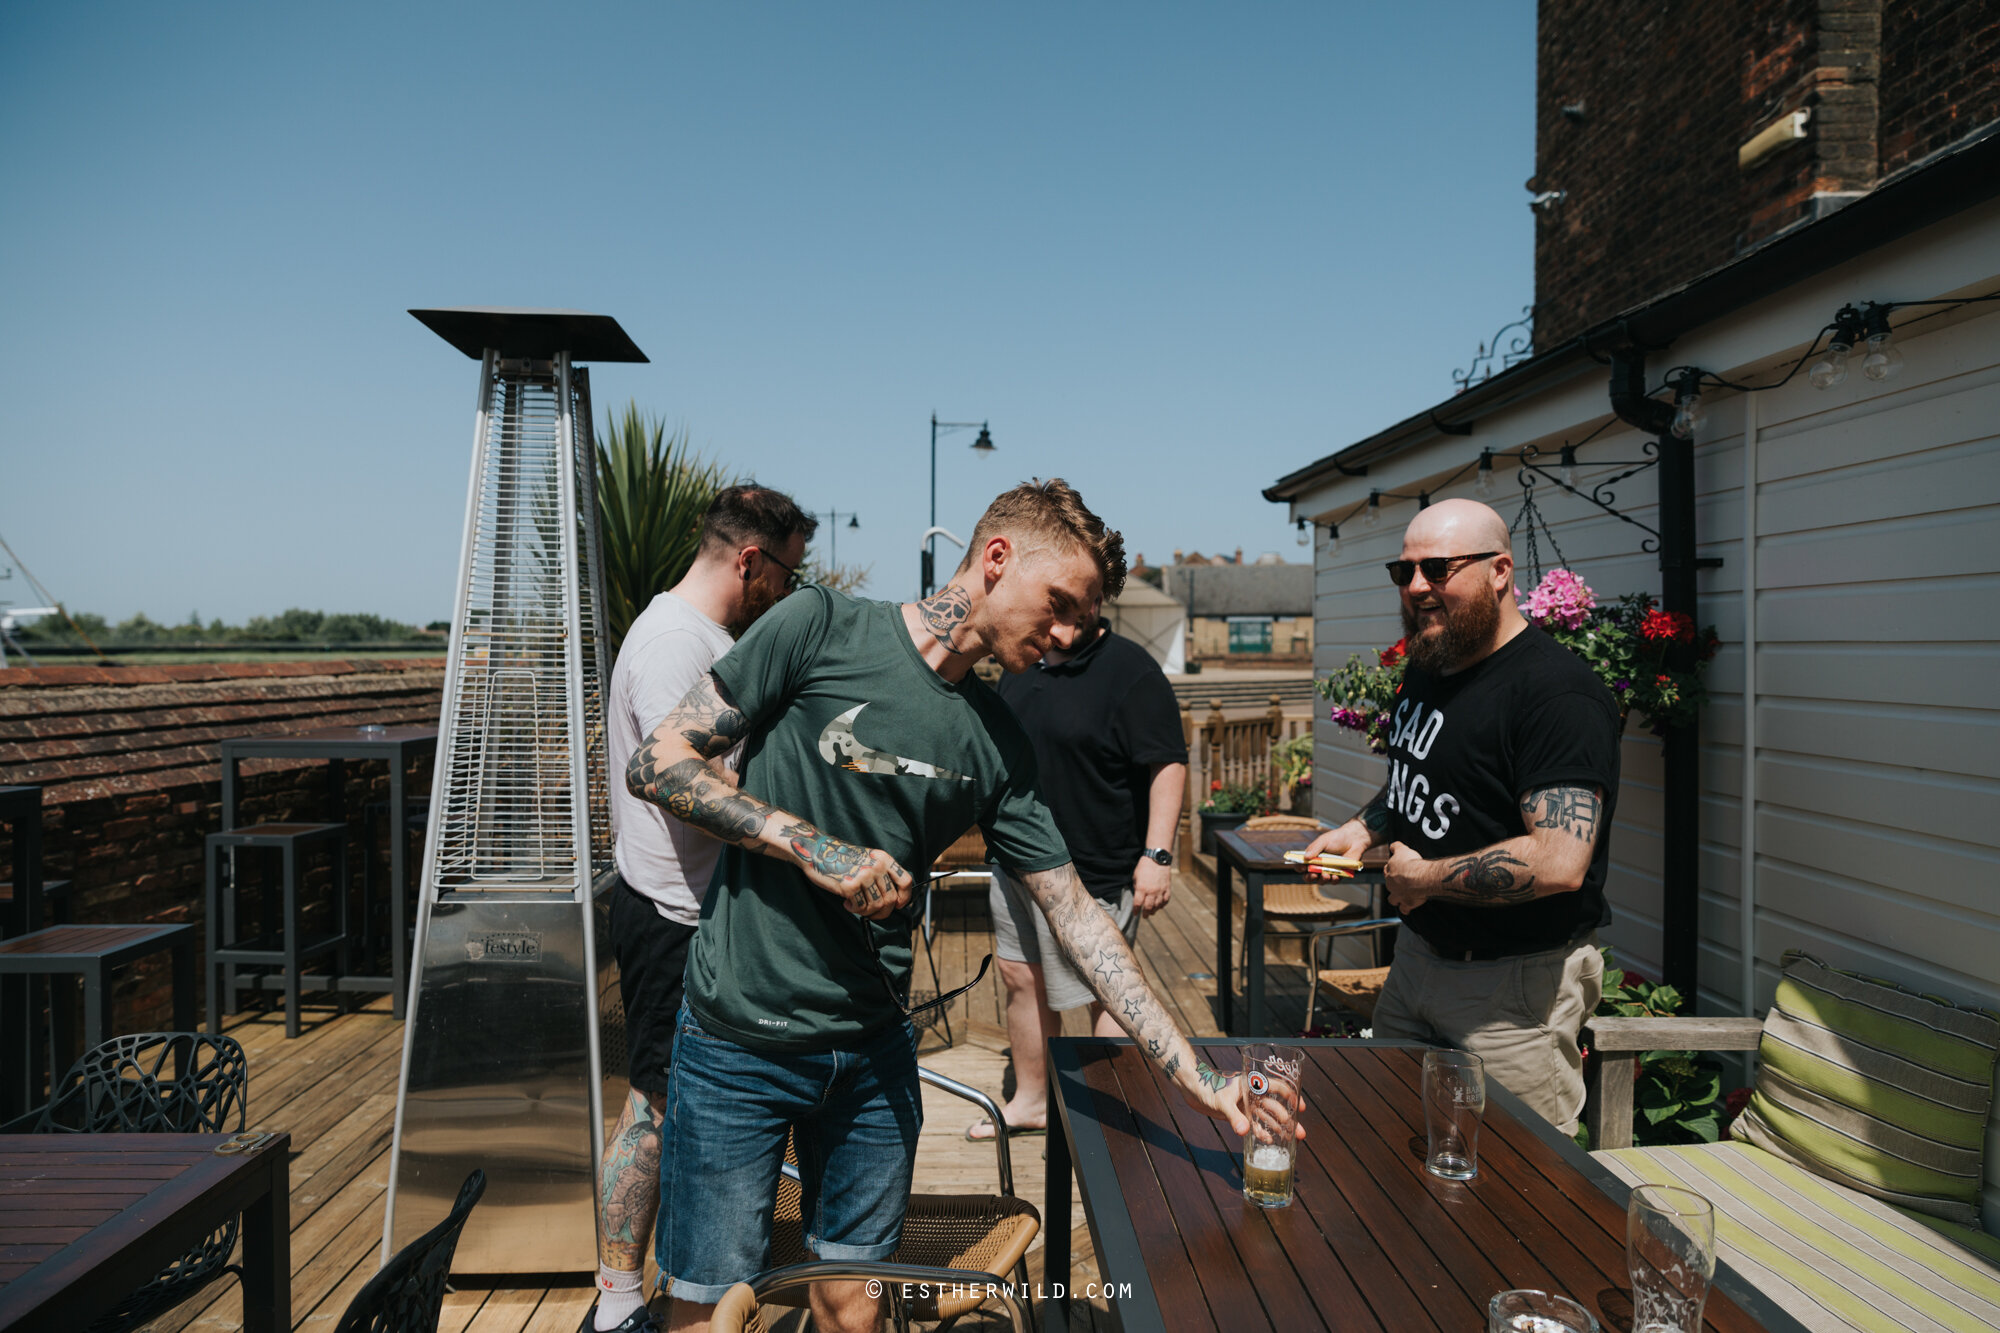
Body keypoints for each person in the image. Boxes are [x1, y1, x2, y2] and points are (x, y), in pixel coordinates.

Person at [627, 480, 1264, 1333]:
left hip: (873, 1059)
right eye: (1061, 603)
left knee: (852, 1309)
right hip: (739, 1041)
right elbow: (658, 762)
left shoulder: (997, 737)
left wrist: (1202, 1077)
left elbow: (1079, 918)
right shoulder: (819, 624)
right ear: (997, 560)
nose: (1070, 633)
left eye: (1083, 615)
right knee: (702, 1311)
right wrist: (812, 844)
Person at [1303, 498, 1618, 1136]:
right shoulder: (1430, 666)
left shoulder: (1557, 694)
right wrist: (1364, 829)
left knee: (1514, 1182)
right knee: (1386, 1138)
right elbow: (1413, 783)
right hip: (1419, 959)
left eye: (1439, 568)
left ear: (1500, 571)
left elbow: (1560, 862)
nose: (1418, 587)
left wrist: (1424, 881)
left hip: (1512, 990)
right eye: (1405, 571)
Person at [588, 486, 817, 1333]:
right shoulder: (674, 642)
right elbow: (690, 785)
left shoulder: (709, 635)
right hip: (672, 916)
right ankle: (616, 1309)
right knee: (653, 1104)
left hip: (704, 911)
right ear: (751, 559)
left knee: (692, 1106)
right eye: (787, 571)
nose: (791, 589)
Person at [970, 609, 1188, 1141]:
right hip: (1015, 862)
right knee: (1021, 979)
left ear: (1095, 603)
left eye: (1073, 611)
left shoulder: (1132, 672)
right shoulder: (1023, 660)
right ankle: (1032, 1101)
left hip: (1095, 868)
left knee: (1106, 995)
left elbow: (1168, 765)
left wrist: (1157, 856)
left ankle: (1107, 1127)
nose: (1060, 628)